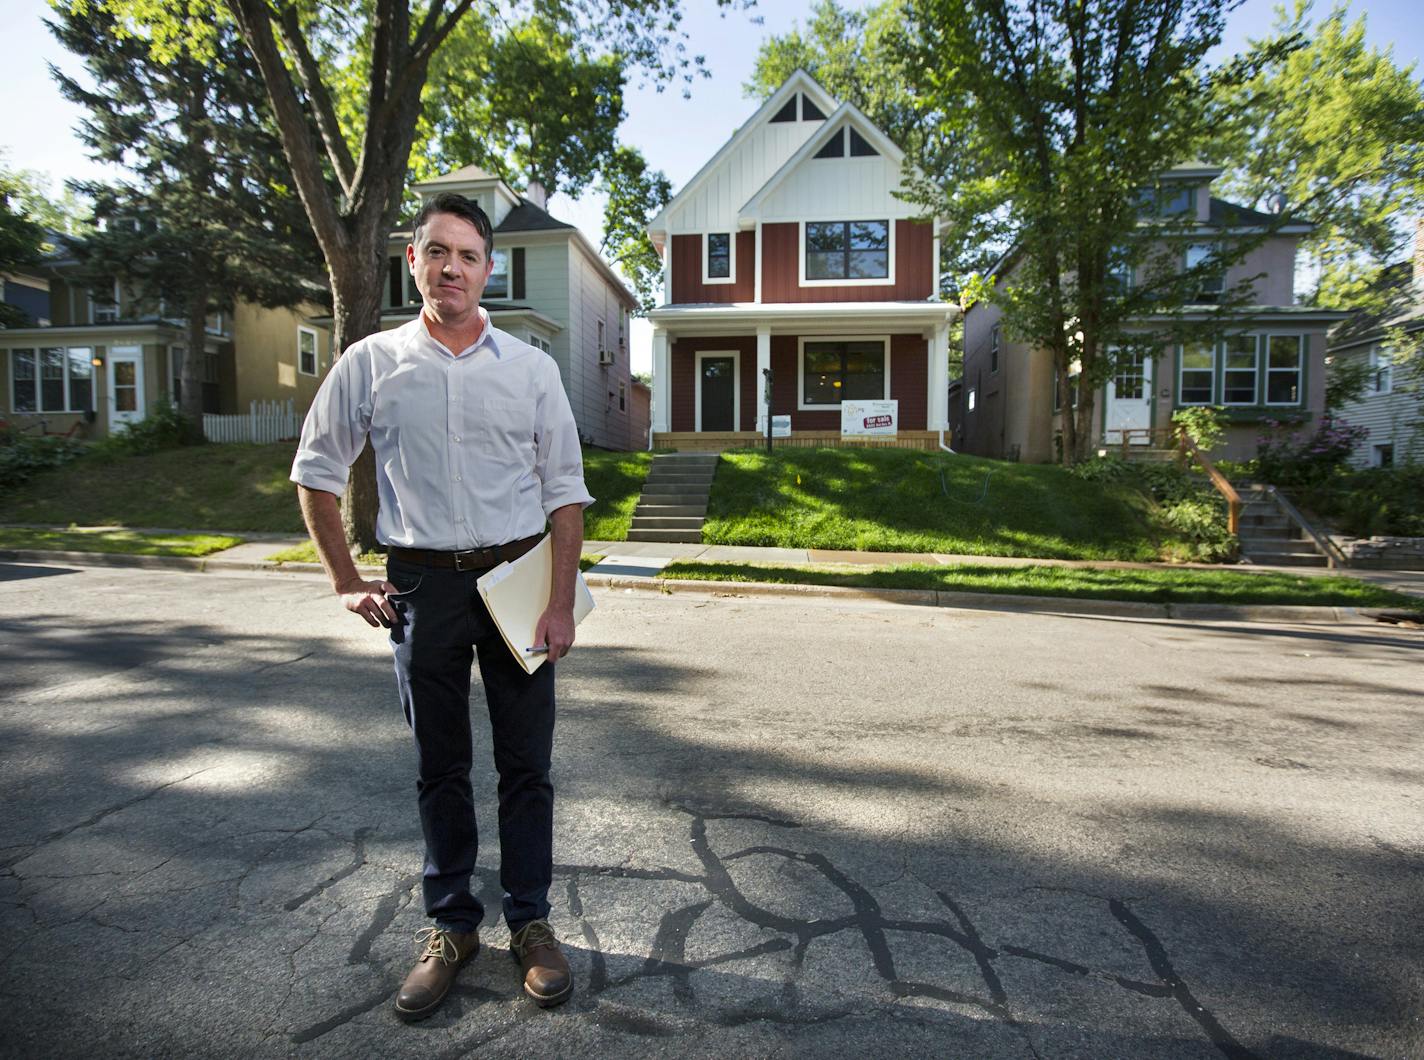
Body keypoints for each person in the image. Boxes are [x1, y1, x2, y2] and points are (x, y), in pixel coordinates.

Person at [289, 191, 592, 1022]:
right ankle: (452, 926)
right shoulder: (371, 363)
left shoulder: (531, 370)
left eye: (468, 254)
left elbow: (566, 497)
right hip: (422, 584)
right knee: (441, 767)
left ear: (488, 270)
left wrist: (560, 604)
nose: (452, 267)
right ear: (413, 262)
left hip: (517, 580)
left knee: (527, 765)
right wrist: (346, 579)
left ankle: (530, 923)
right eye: (437, 252)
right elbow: (316, 470)